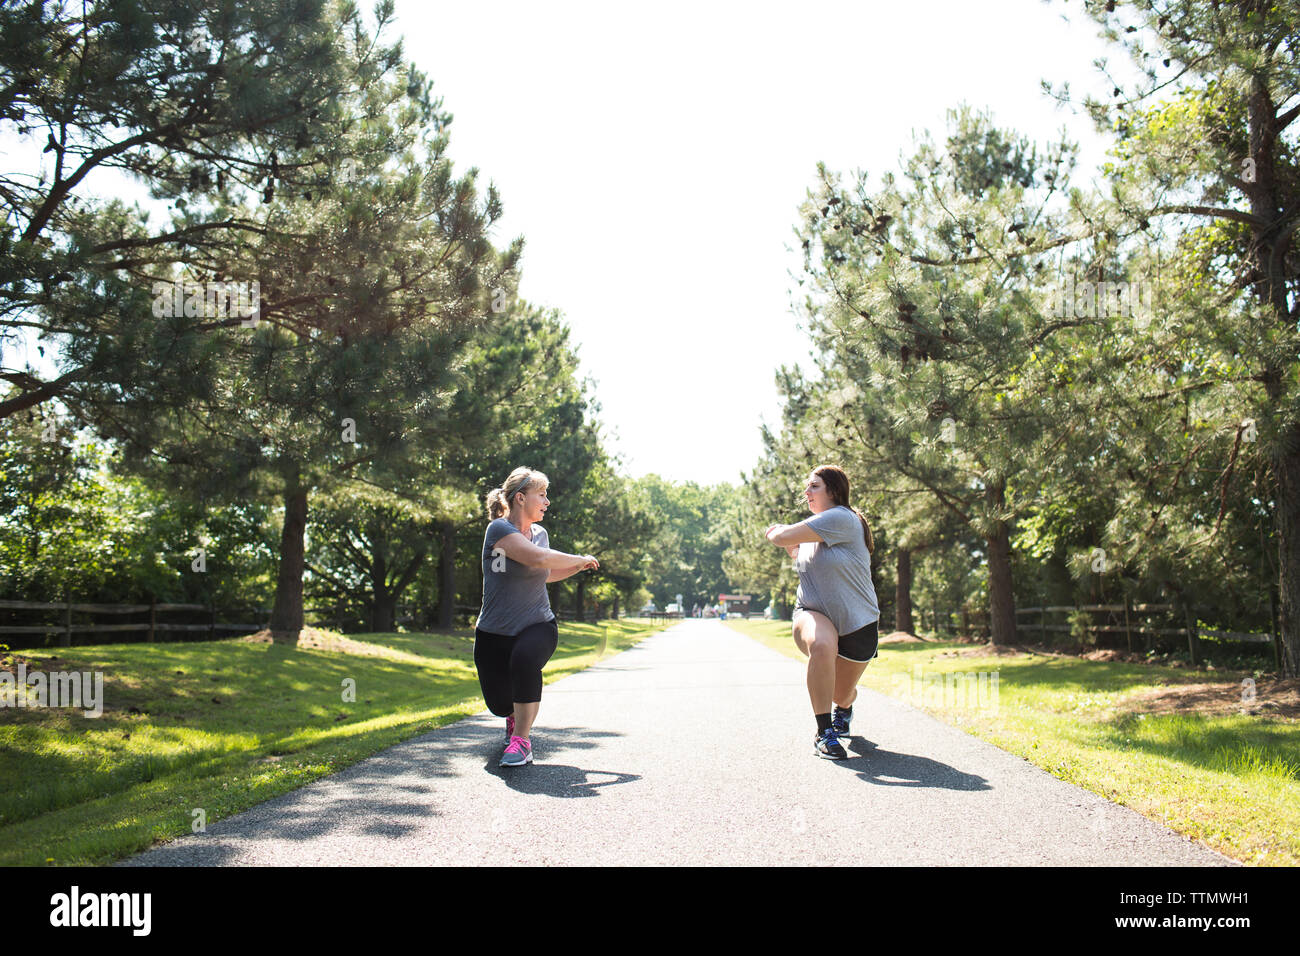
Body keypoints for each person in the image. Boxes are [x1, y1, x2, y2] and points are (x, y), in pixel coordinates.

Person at [476, 467, 598, 767]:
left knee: (525, 661)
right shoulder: (499, 530)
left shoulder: (540, 534)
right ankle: (514, 719)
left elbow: (543, 573)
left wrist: (577, 568)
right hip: (493, 633)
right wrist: (579, 558)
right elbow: (537, 558)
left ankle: (521, 740)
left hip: (537, 624)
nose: (546, 502)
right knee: (500, 703)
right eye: (541, 495)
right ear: (520, 498)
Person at [765, 464, 879, 759]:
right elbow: (796, 549)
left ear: (833, 490)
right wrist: (794, 545)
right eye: (807, 486)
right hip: (812, 612)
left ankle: (845, 706)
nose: (807, 492)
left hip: (858, 623)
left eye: (814, 486)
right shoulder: (814, 531)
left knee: (841, 693)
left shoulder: (842, 518)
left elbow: (781, 538)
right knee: (822, 644)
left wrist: (775, 532)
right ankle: (823, 732)